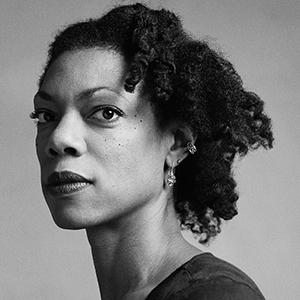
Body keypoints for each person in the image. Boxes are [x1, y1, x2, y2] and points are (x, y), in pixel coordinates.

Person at [30, 3, 273, 299]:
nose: (58, 138)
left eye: (106, 112)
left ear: (177, 143)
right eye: (46, 116)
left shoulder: (215, 294)